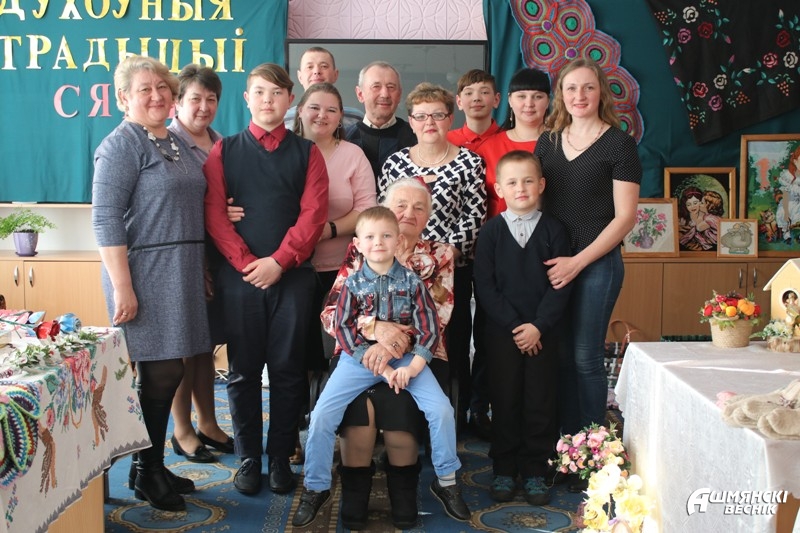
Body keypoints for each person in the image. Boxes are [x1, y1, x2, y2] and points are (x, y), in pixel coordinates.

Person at [292, 206, 470, 528]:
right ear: (358, 244)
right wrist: (381, 368)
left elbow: (429, 331)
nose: (378, 242)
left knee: (442, 410)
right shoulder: (352, 284)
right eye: (371, 237)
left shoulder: (413, 283)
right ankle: (316, 487)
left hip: (406, 360)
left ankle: (446, 480)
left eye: (386, 236)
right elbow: (343, 329)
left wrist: (411, 369)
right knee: (321, 415)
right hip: (358, 359)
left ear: (398, 241)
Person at [228, 82, 377, 464]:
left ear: (341, 117)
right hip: (287, 268)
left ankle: (333, 432)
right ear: (300, 110)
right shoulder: (273, 151)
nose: (321, 116)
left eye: (331, 110)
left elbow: (364, 210)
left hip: (338, 271)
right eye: (315, 108)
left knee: (325, 357)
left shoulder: (351, 155)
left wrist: (324, 231)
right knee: (289, 359)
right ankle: (289, 438)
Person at [203, 63, 329, 496]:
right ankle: (248, 457)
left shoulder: (307, 153)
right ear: (247, 98)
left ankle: (279, 457)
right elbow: (215, 215)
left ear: (290, 99)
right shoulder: (224, 151)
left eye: (276, 93)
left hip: (292, 278)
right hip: (240, 278)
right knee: (242, 372)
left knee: (288, 370)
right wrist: (247, 264)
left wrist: (279, 261)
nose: (268, 100)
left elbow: (313, 216)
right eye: (259, 92)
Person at [92, 55, 208, 511]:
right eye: (145, 89)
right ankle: (147, 471)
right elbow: (105, 219)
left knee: (169, 370)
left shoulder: (173, 139)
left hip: (180, 267)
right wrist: (123, 287)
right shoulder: (120, 145)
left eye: (163, 86)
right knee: (160, 373)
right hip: (143, 272)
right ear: (124, 97)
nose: (158, 95)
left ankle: (149, 465)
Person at [534, 58, 641, 493]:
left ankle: (593, 456)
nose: (580, 96)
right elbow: (536, 205)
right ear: (561, 95)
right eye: (571, 88)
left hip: (596, 263)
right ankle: (566, 452)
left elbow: (625, 218)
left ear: (601, 93)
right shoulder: (547, 143)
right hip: (555, 265)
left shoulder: (619, 144)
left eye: (588, 88)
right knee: (559, 357)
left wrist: (578, 261)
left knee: (585, 357)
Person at [379, 82, 486, 434]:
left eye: (438, 115)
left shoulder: (470, 162)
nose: (430, 122)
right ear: (410, 121)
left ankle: (451, 416)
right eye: (421, 116)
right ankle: (398, 413)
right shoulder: (395, 162)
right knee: (402, 334)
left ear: (450, 119)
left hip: (451, 268)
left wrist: (441, 257)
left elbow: (474, 215)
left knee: (451, 341)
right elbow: (384, 211)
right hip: (397, 266)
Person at [473, 150, 572, 505]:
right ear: (499, 189)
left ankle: (535, 470)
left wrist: (538, 326)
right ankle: (504, 467)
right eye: (512, 182)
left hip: (544, 333)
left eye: (528, 181)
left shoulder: (555, 230)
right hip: (503, 334)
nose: (521, 188)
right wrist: (517, 327)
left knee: (540, 400)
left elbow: (561, 284)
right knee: (505, 398)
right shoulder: (490, 233)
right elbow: (485, 287)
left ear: (541, 185)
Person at [166, 64, 234, 464]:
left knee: (205, 345)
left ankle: (208, 422)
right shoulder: (166, 144)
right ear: (177, 102)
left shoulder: (221, 143)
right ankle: (182, 429)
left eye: (211, 99)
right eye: (195, 98)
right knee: (182, 348)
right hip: (181, 258)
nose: (203, 107)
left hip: (217, 256)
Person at [476, 68, 551, 219]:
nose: (529, 104)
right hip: (499, 230)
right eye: (521, 96)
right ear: (510, 100)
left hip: (553, 230)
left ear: (548, 101)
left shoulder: (563, 143)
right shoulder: (488, 147)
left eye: (537, 96)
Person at [346, 61, 417, 182]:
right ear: (360, 94)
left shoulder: (415, 137)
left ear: (399, 95)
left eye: (391, 87)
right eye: (376, 87)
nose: (385, 94)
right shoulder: (344, 139)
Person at [283, 46, 363, 129]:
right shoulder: (285, 119)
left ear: (335, 74)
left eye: (324, 66)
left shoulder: (355, 118)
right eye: (310, 67)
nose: (317, 71)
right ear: (300, 77)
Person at [447, 69, 501, 152]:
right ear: (459, 102)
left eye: (484, 92)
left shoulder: (511, 140)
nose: (476, 98)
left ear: (496, 100)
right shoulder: (446, 141)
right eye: (469, 93)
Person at [678, 186, 719, 251]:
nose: (692, 206)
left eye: (695, 203)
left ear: (701, 202)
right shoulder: (682, 219)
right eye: (688, 204)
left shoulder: (707, 217)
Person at [776, 145, 800, 244]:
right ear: (795, 161)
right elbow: (785, 193)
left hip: (799, 203)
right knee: (784, 213)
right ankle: (787, 236)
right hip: (788, 201)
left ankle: (798, 235)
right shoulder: (788, 176)